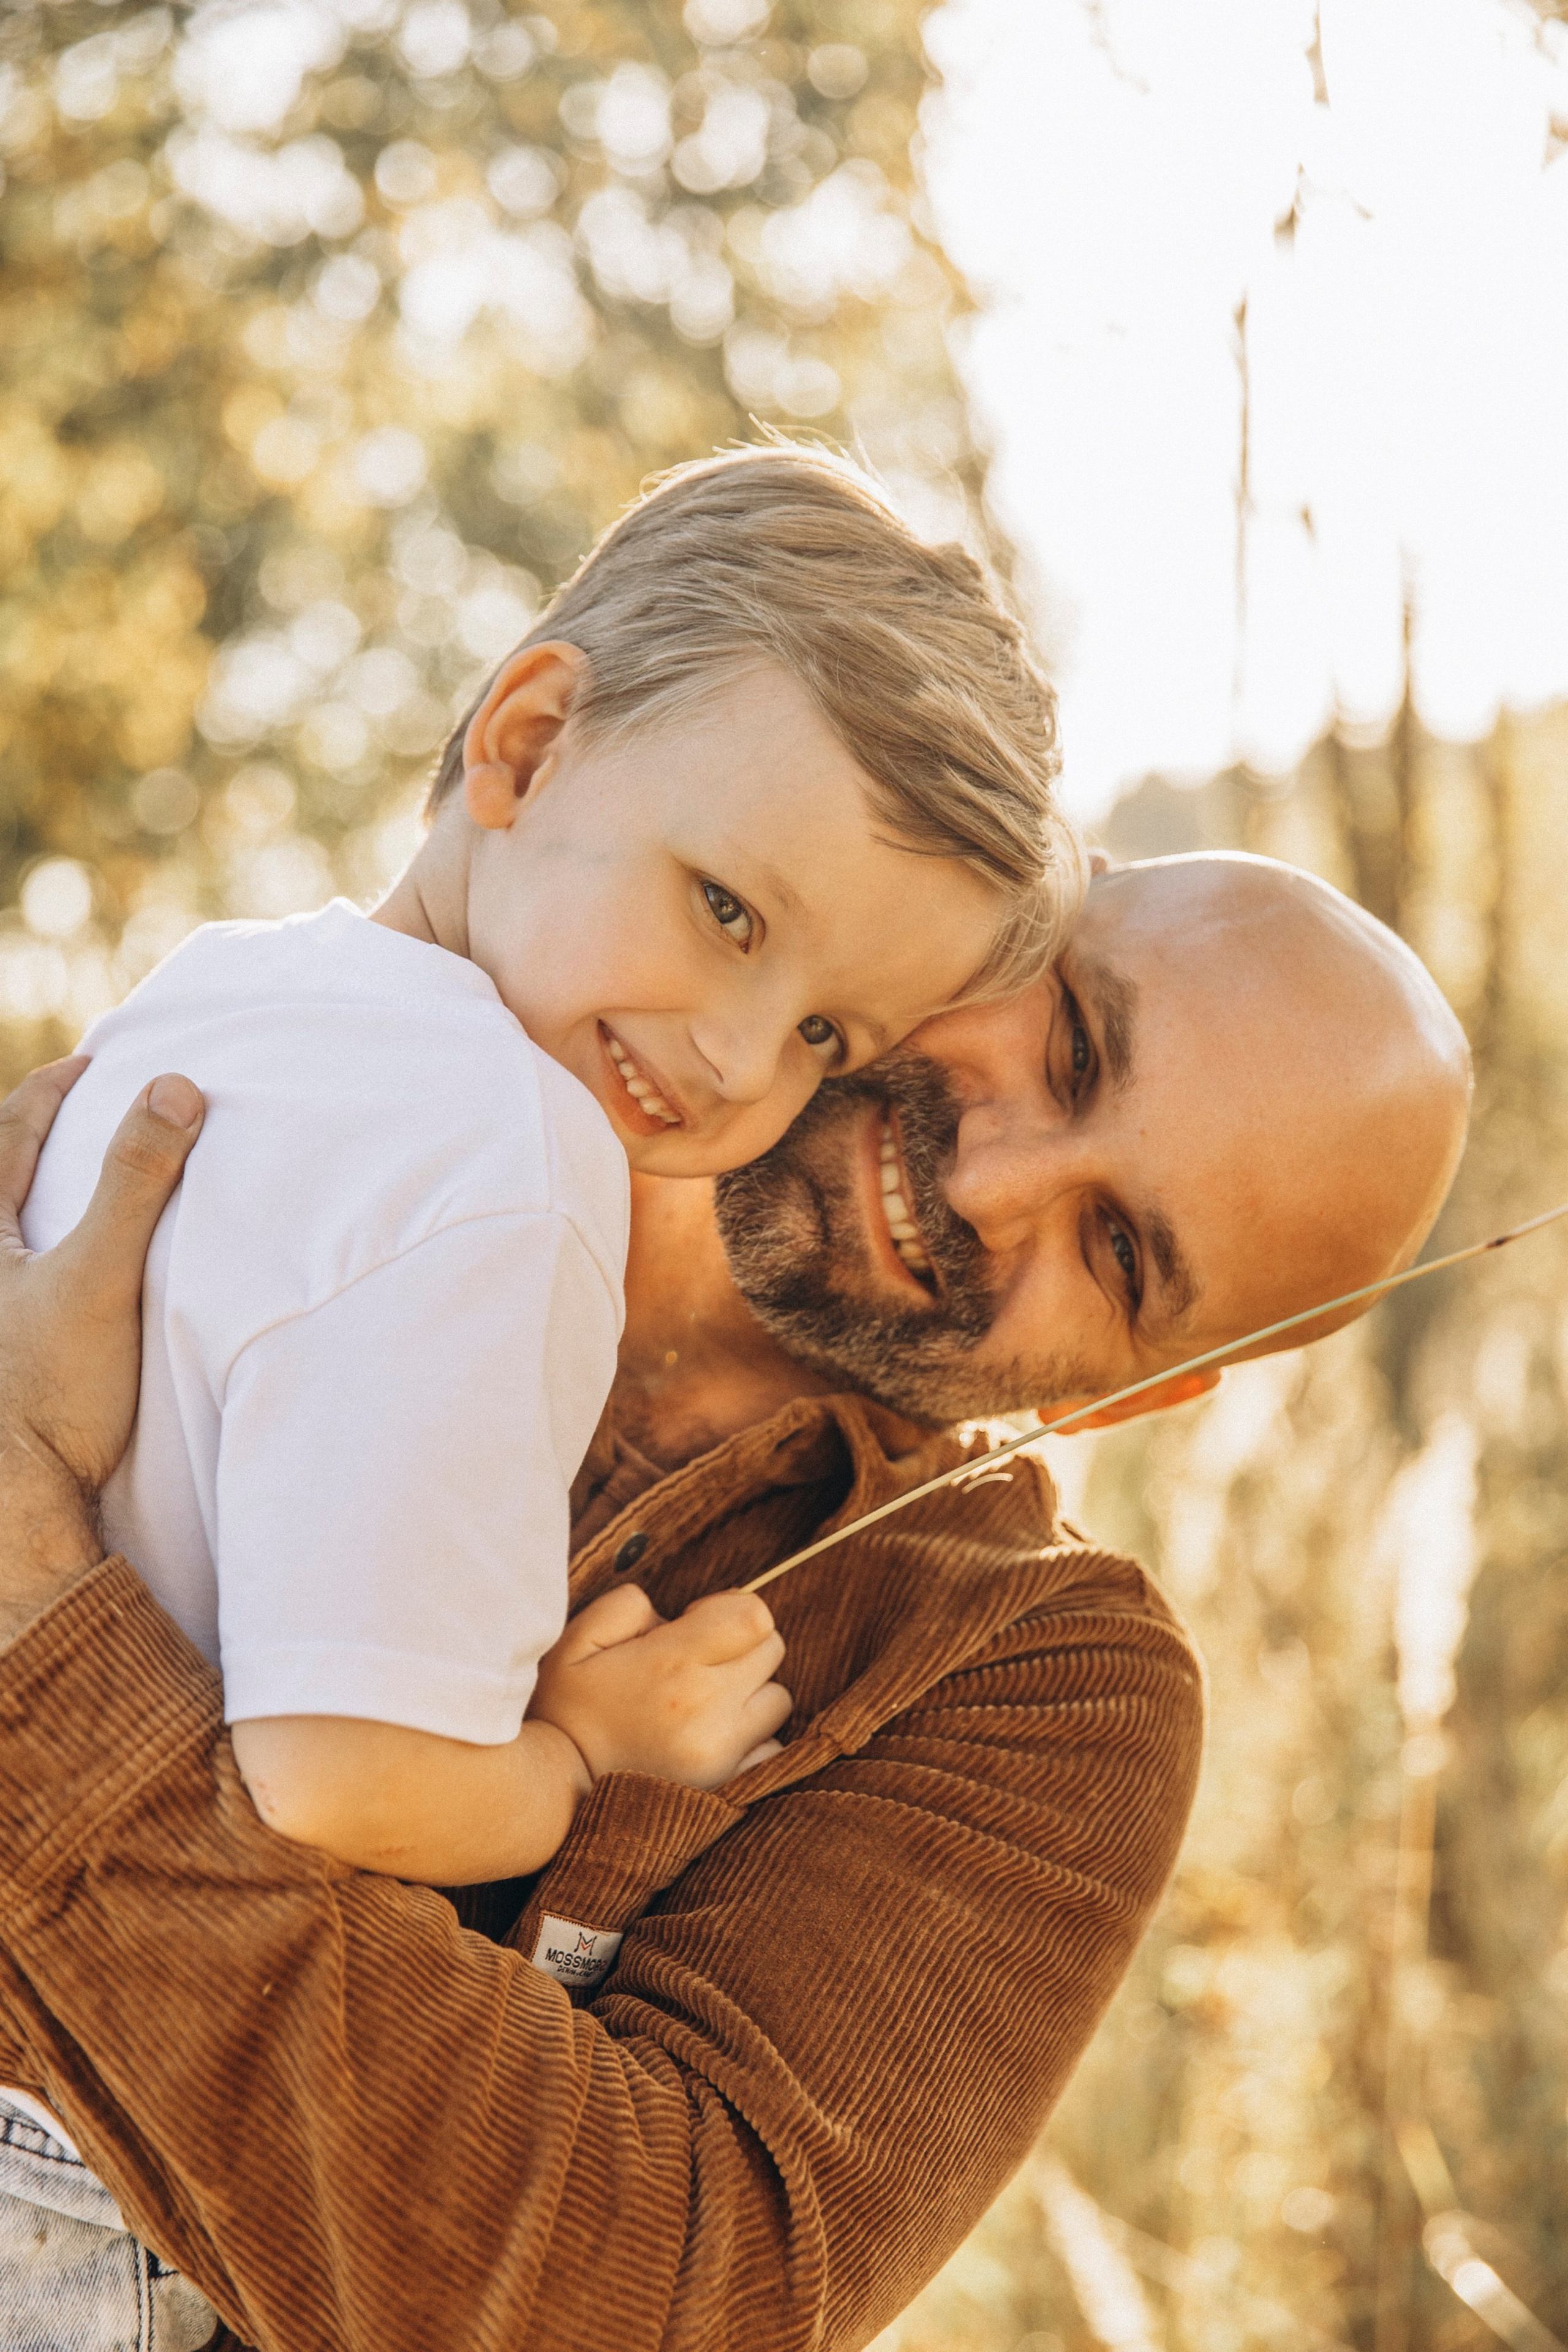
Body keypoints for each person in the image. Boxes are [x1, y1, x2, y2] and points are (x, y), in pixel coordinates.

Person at [0, 851, 1470, 2351]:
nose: (986, 1186)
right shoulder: (331, 1098)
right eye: (1073, 1045)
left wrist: (31, 1593)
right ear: (1014, 896)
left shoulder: (1030, 1669)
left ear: (1141, 1392)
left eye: (1113, 1252)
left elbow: (642, 2306)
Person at [17, 443, 1081, 1943]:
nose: (739, 1058)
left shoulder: (229, 982)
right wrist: (576, 1756)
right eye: (727, 912)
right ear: (526, 745)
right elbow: (336, 1775)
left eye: (824, 1037)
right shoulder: (514, 1159)